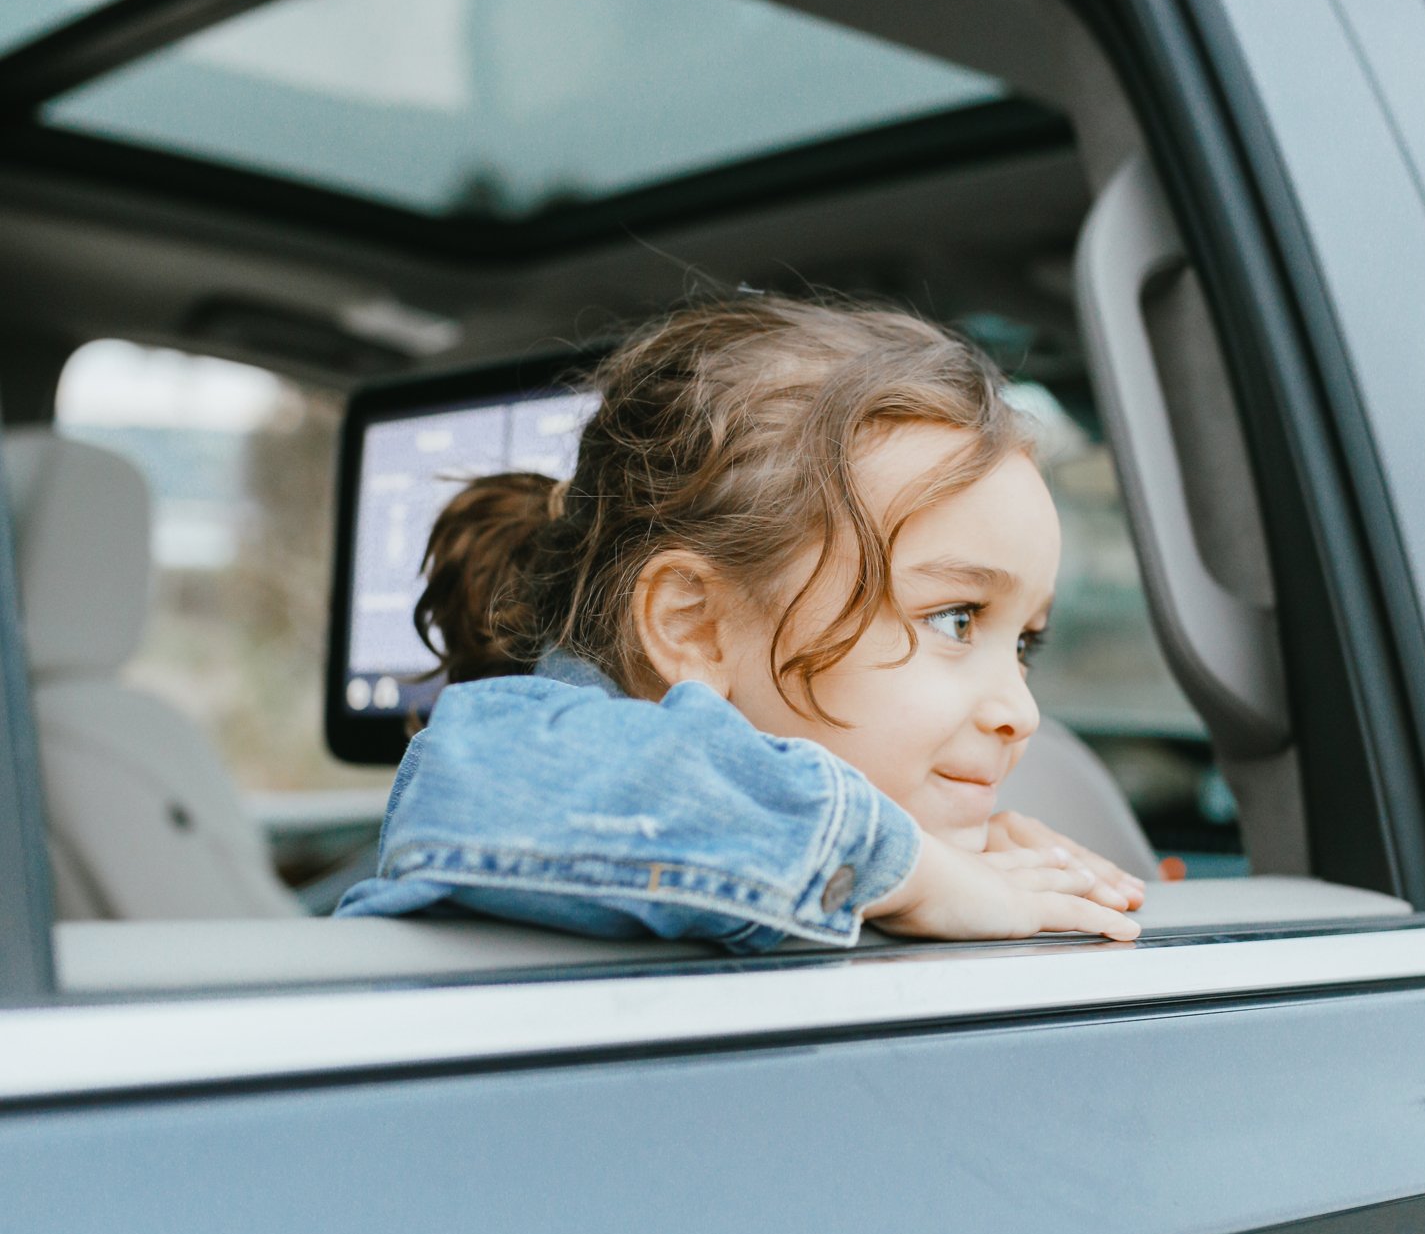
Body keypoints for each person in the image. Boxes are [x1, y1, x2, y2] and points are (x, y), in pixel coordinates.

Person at [338, 298, 1143, 950]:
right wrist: (914, 872)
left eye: (1025, 641)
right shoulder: (532, 756)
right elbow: (493, 783)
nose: (1022, 712)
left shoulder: (774, 858)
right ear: (696, 628)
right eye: (956, 619)